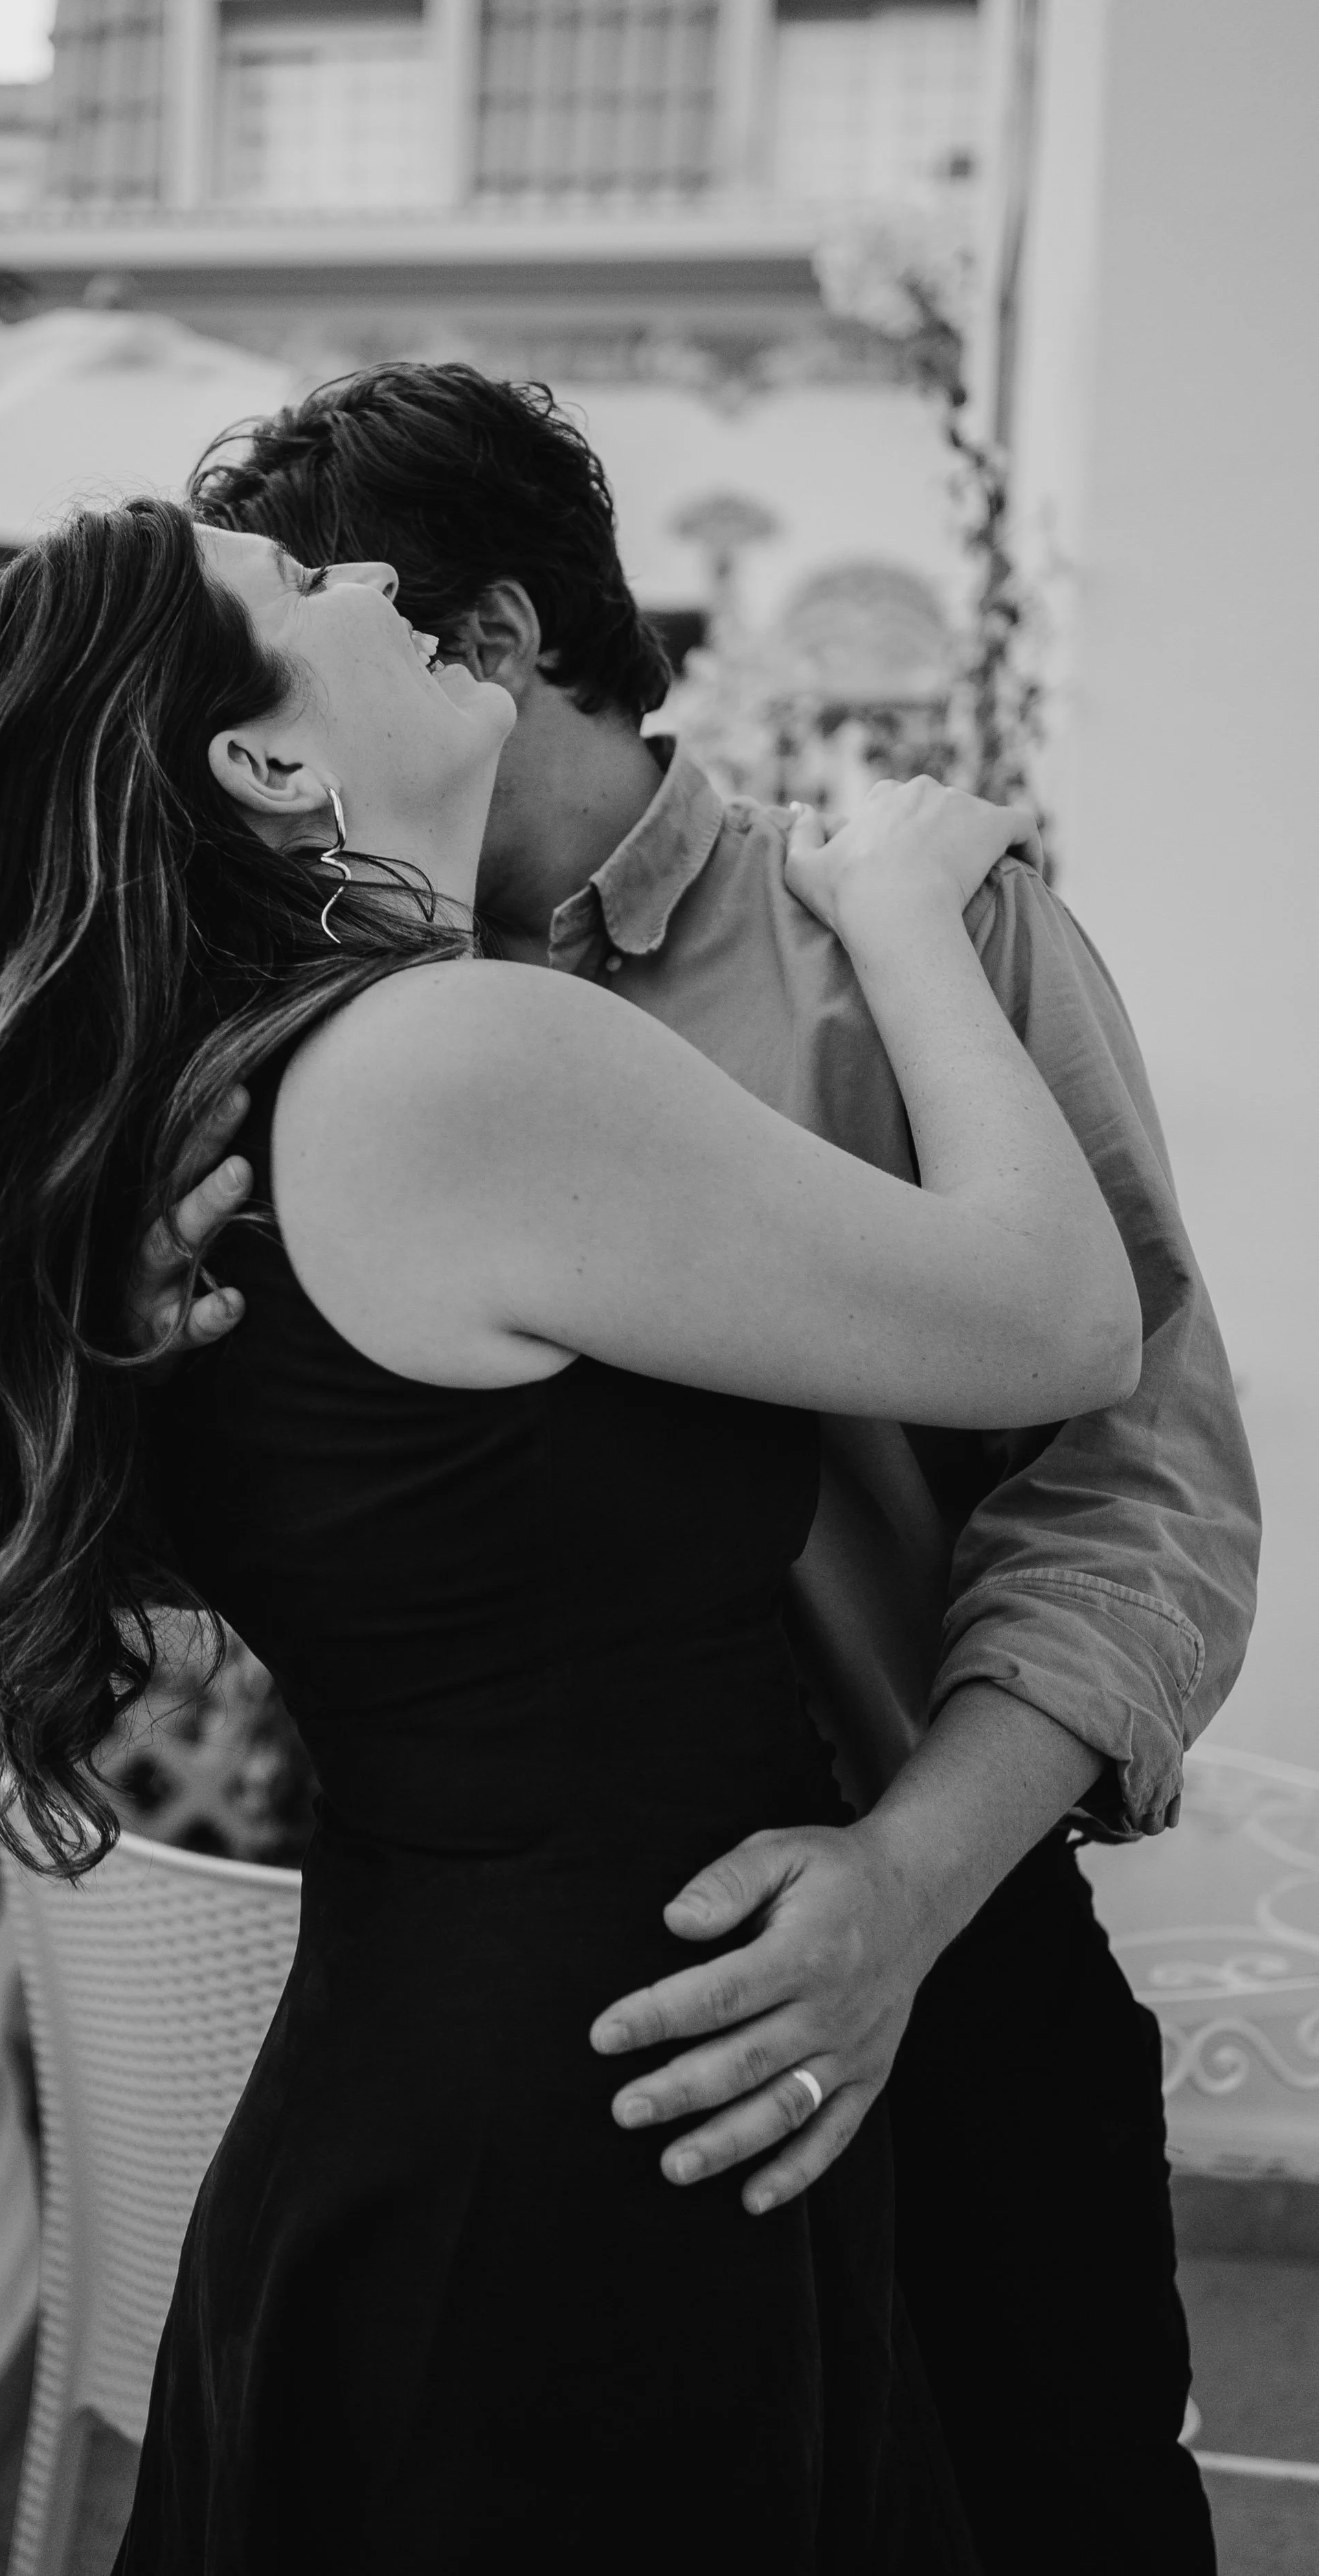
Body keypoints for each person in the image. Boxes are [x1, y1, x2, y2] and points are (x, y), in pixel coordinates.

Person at [0, 497, 1139, 2571]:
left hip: (525, 2058)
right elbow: (1062, 1322)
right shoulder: (449, 1061)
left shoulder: (220, 1115)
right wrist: (897, 918)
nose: (366, 579)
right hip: (577, 2131)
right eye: (295, 589)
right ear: (265, 767)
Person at [133, 364, 1261, 2575]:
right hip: (529, 2025)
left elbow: (1145, 1477)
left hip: (939, 1953)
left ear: (490, 644)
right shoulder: (257, 1027)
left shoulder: (923, 947)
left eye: (310, 593)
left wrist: (907, 1891)